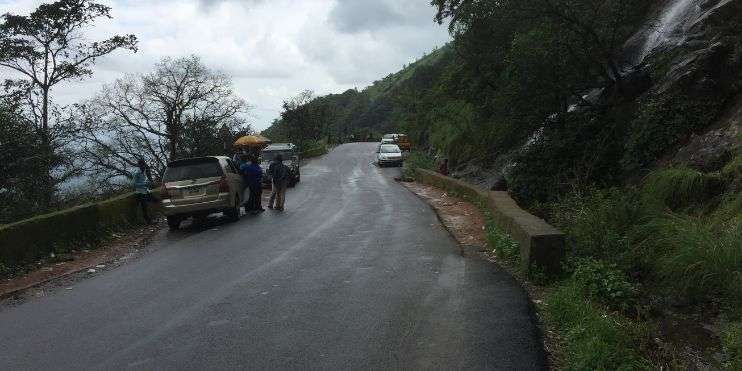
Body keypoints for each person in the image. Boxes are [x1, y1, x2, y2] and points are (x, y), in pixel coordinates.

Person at [133, 159, 158, 223]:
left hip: (146, 191)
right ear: (139, 165)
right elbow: (134, 184)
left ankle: (154, 217)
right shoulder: (137, 173)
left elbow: (145, 181)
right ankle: (148, 221)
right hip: (140, 192)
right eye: (141, 165)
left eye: (144, 165)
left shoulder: (144, 172)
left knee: (155, 200)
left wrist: (149, 183)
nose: (143, 166)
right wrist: (144, 184)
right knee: (144, 207)